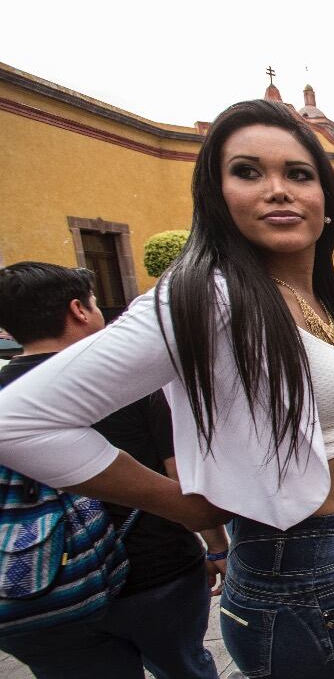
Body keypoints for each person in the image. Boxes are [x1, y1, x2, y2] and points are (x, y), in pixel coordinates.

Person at [0, 100, 334, 679]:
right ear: (217, 197)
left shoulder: (308, 295)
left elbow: (307, 427)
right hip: (298, 572)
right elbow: (17, 421)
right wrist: (183, 505)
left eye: (298, 173)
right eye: (247, 172)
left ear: (326, 200)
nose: (278, 189)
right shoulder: (208, 294)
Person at [0, 262, 227, 678]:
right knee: (184, 668)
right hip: (153, 569)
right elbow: (183, 478)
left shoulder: (7, 394)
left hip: (37, 587)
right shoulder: (131, 385)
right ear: (78, 310)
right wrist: (217, 546)